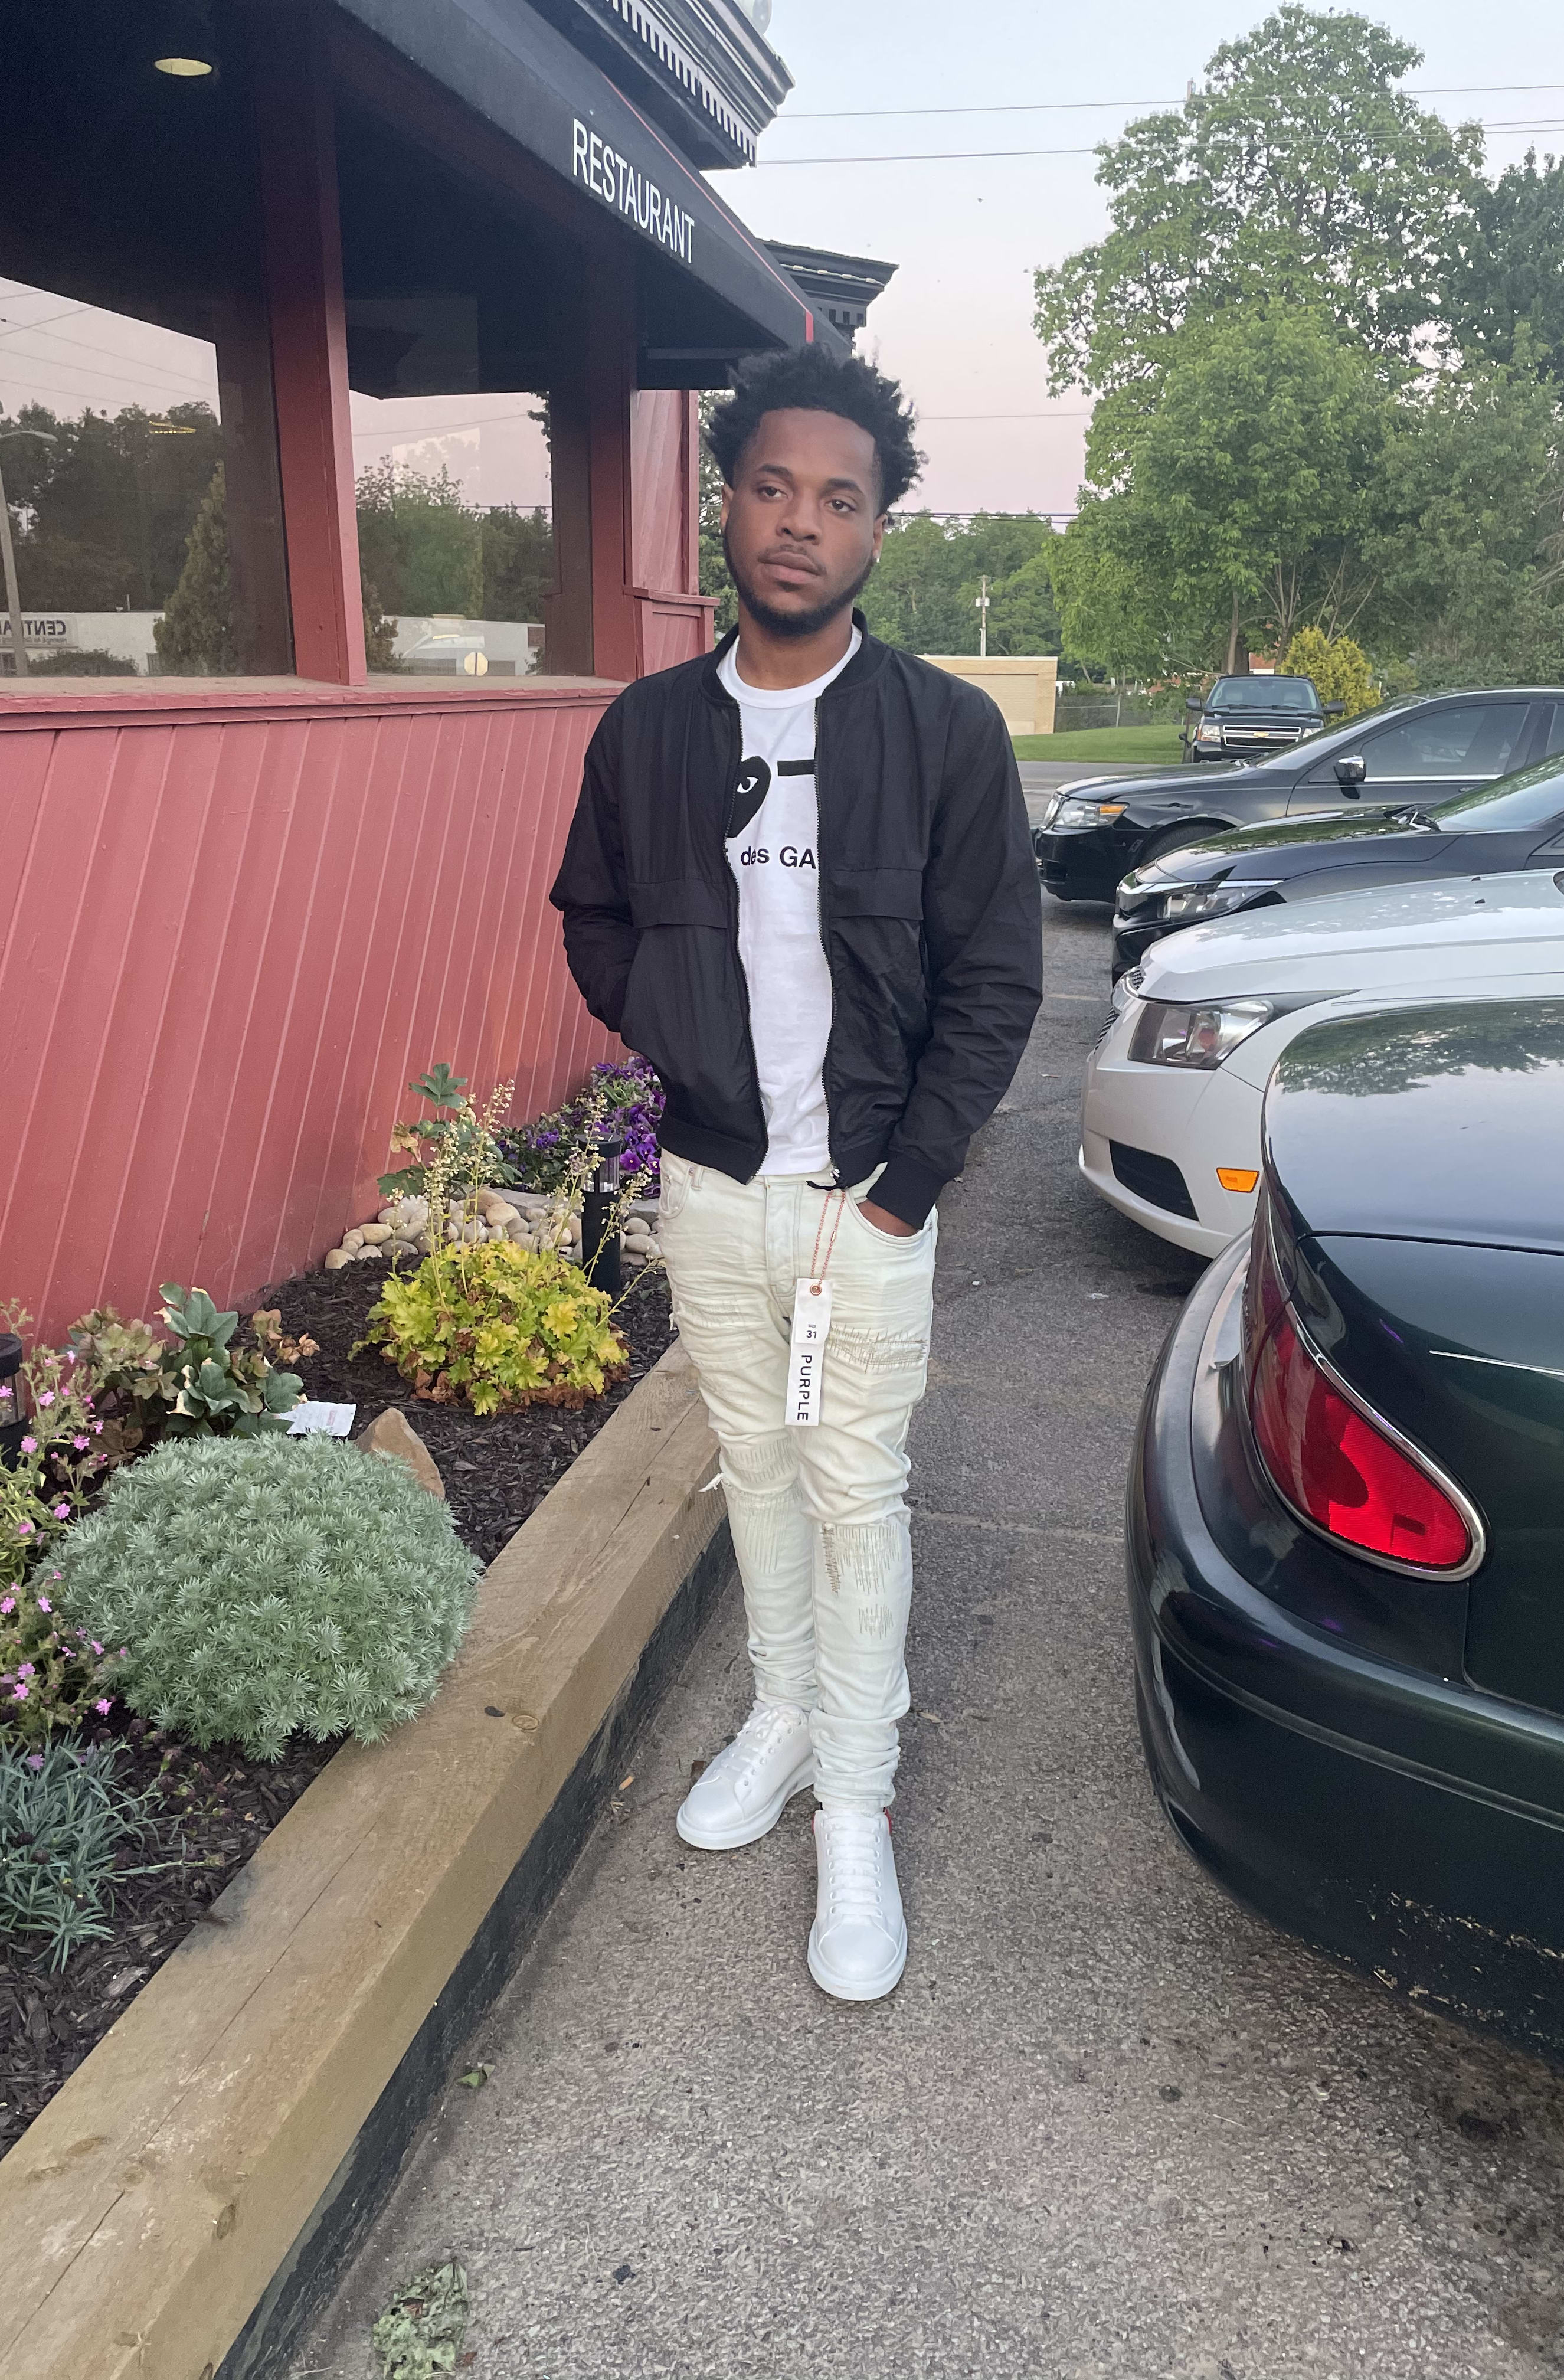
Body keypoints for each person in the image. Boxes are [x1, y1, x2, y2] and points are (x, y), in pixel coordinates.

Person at [551, 344, 1041, 2001]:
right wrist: (677, 1036)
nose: (799, 522)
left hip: (865, 1204)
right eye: (771, 486)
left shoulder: (944, 732)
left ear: (876, 532)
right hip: (712, 1186)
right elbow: (595, 918)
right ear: (727, 503)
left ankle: (855, 1802)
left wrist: (908, 1180)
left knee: (855, 1494)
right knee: (752, 1471)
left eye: (838, 498)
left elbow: (997, 980)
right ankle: (778, 1716)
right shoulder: (648, 729)